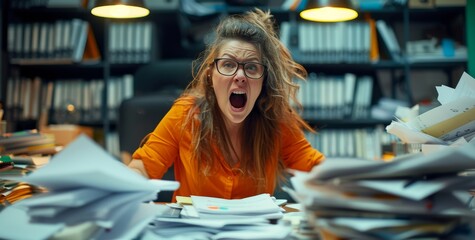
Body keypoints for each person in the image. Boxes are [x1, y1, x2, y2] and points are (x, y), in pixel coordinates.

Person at [128, 8, 325, 201]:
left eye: (251, 67)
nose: (240, 76)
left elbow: (315, 167)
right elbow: (142, 167)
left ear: (263, 81)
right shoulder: (185, 113)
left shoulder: (276, 118)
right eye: (228, 65)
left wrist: (348, 185)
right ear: (210, 75)